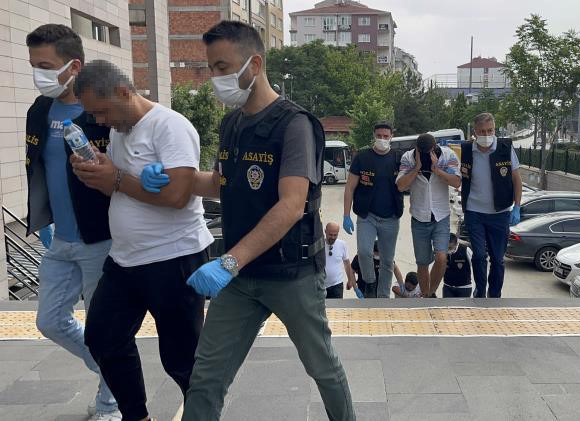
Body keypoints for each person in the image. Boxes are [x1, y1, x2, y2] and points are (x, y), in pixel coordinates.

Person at [140, 21, 353, 420]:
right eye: (211, 69)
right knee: (206, 376)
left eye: (222, 67)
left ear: (254, 64)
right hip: (240, 277)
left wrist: (229, 261)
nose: (215, 78)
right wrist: (171, 177)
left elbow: (291, 205)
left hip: (290, 274)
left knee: (321, 366)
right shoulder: (232, 124)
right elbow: (220, 183)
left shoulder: (295, 125)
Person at [70, 60, 213, 421]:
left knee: (182, 360)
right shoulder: (121, 131)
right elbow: (123, 186)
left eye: (102, 111)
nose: (101, 121)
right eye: (94, 114)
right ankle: (137, 416)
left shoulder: (170, 126)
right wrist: (100, 172)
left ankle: (203, 415)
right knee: (102, 337)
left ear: (123, 91)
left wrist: (116, 179)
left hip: (173, 258)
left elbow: (178, 195)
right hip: (125, 260)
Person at [24, 24, 120, 421]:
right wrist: (41, 219)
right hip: (59, 240)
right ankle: (114, 370)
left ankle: (111, 403)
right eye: (34, 65)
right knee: (49, 321)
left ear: (74, 66)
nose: (38, 73)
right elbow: (38, 169)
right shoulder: (39, 110)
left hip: (100, 239)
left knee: (103, 328)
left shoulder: (101, 112)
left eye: (46, 66)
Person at [460, 112, 522, 298]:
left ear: (495, 130)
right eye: (482, 131)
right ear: (475, 132)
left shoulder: (505, 148)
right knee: (479, 255)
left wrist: (517, 207)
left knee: (497, 259)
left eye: (490, 130)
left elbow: (517, 180)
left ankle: (494, 295)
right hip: (474, 212)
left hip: (499, 213)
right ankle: (480, 291)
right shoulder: (466, 150)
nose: (486, 135)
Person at [343, 122, 403, 298]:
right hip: (367, 215)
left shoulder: (398, 158)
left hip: (391, 217)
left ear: (391, 137)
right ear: (374, 136)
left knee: (387, 261)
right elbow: (349, 187)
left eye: (386, 136)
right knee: (364, 252)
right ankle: (369, 282)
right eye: (379, 136)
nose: (382, 139)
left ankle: (383, 296)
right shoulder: (362, 158)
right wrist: (346, 214)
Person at [396, 133, 460, 297]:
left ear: (435, 148)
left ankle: (431, 293)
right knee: (423, 262)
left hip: (441, 216)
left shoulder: (448, 155)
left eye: (430, 151)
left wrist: (437, 170)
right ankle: (425, 295)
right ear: (417, 149)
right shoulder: (408, 158)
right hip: (419, 217)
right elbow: (400, 186)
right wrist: (417, 168)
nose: (426, 155)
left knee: (441, 258)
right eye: (423, 152)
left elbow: (456, 182)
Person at [324, 222, 356, 298]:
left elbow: (347, 263)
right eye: (330, 235)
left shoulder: (342, 244)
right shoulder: (319, 244)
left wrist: (350, 280)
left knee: (337, 306)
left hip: (337, 285)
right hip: (321, 285)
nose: (333, 237)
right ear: (325, 232)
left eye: (335, 235)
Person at [443, 234, 474, 298]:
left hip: (464, 288)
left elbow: (475, 266)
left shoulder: (466, 250)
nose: (448, 250)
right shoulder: (442, 250)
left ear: (456, 244)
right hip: (448, 287)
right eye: (447, 247)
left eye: (450, 248)